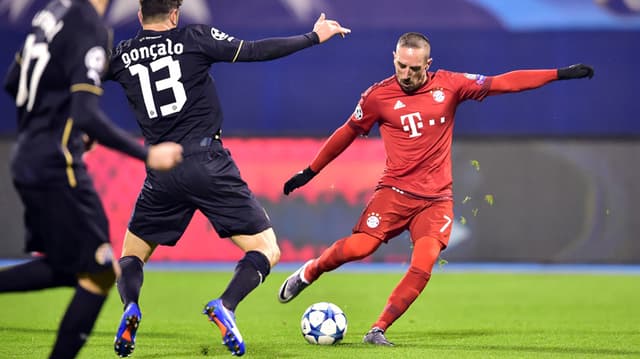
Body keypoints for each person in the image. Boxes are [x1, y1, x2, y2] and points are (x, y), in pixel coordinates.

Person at [278, 32, 594, 346]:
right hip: (395, 192)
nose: (407, 74)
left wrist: (559, 74)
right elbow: (346, 133)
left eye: (415, 69)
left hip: (436, 199)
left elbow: (503, 83)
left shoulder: (451, 84)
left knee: (423, 264)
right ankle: (310, 272)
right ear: (394, 58)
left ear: (429, 63)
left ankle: (378, 329)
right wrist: (310, 171)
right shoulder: (377, 97)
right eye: (401, 66)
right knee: (360, 248)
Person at [105, 0, 350, 356]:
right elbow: (254, 51)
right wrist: (313, 36)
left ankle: (131, 306)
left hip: (160, 169)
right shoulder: (193, 38)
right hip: (206, 161)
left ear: (140, 15)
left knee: (132, 254)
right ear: (175, 13)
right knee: (266, 249)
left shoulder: (121, 54)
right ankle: (226, 305)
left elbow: (77, 79)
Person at [0, 0, 184, 358]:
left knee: (71, 266)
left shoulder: (51, 15)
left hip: (29, 154)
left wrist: (48, 124)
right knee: (100, 268)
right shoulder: (91, 25)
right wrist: (147, 153)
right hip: (57, 163)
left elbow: (12, 82)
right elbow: (85, 112)